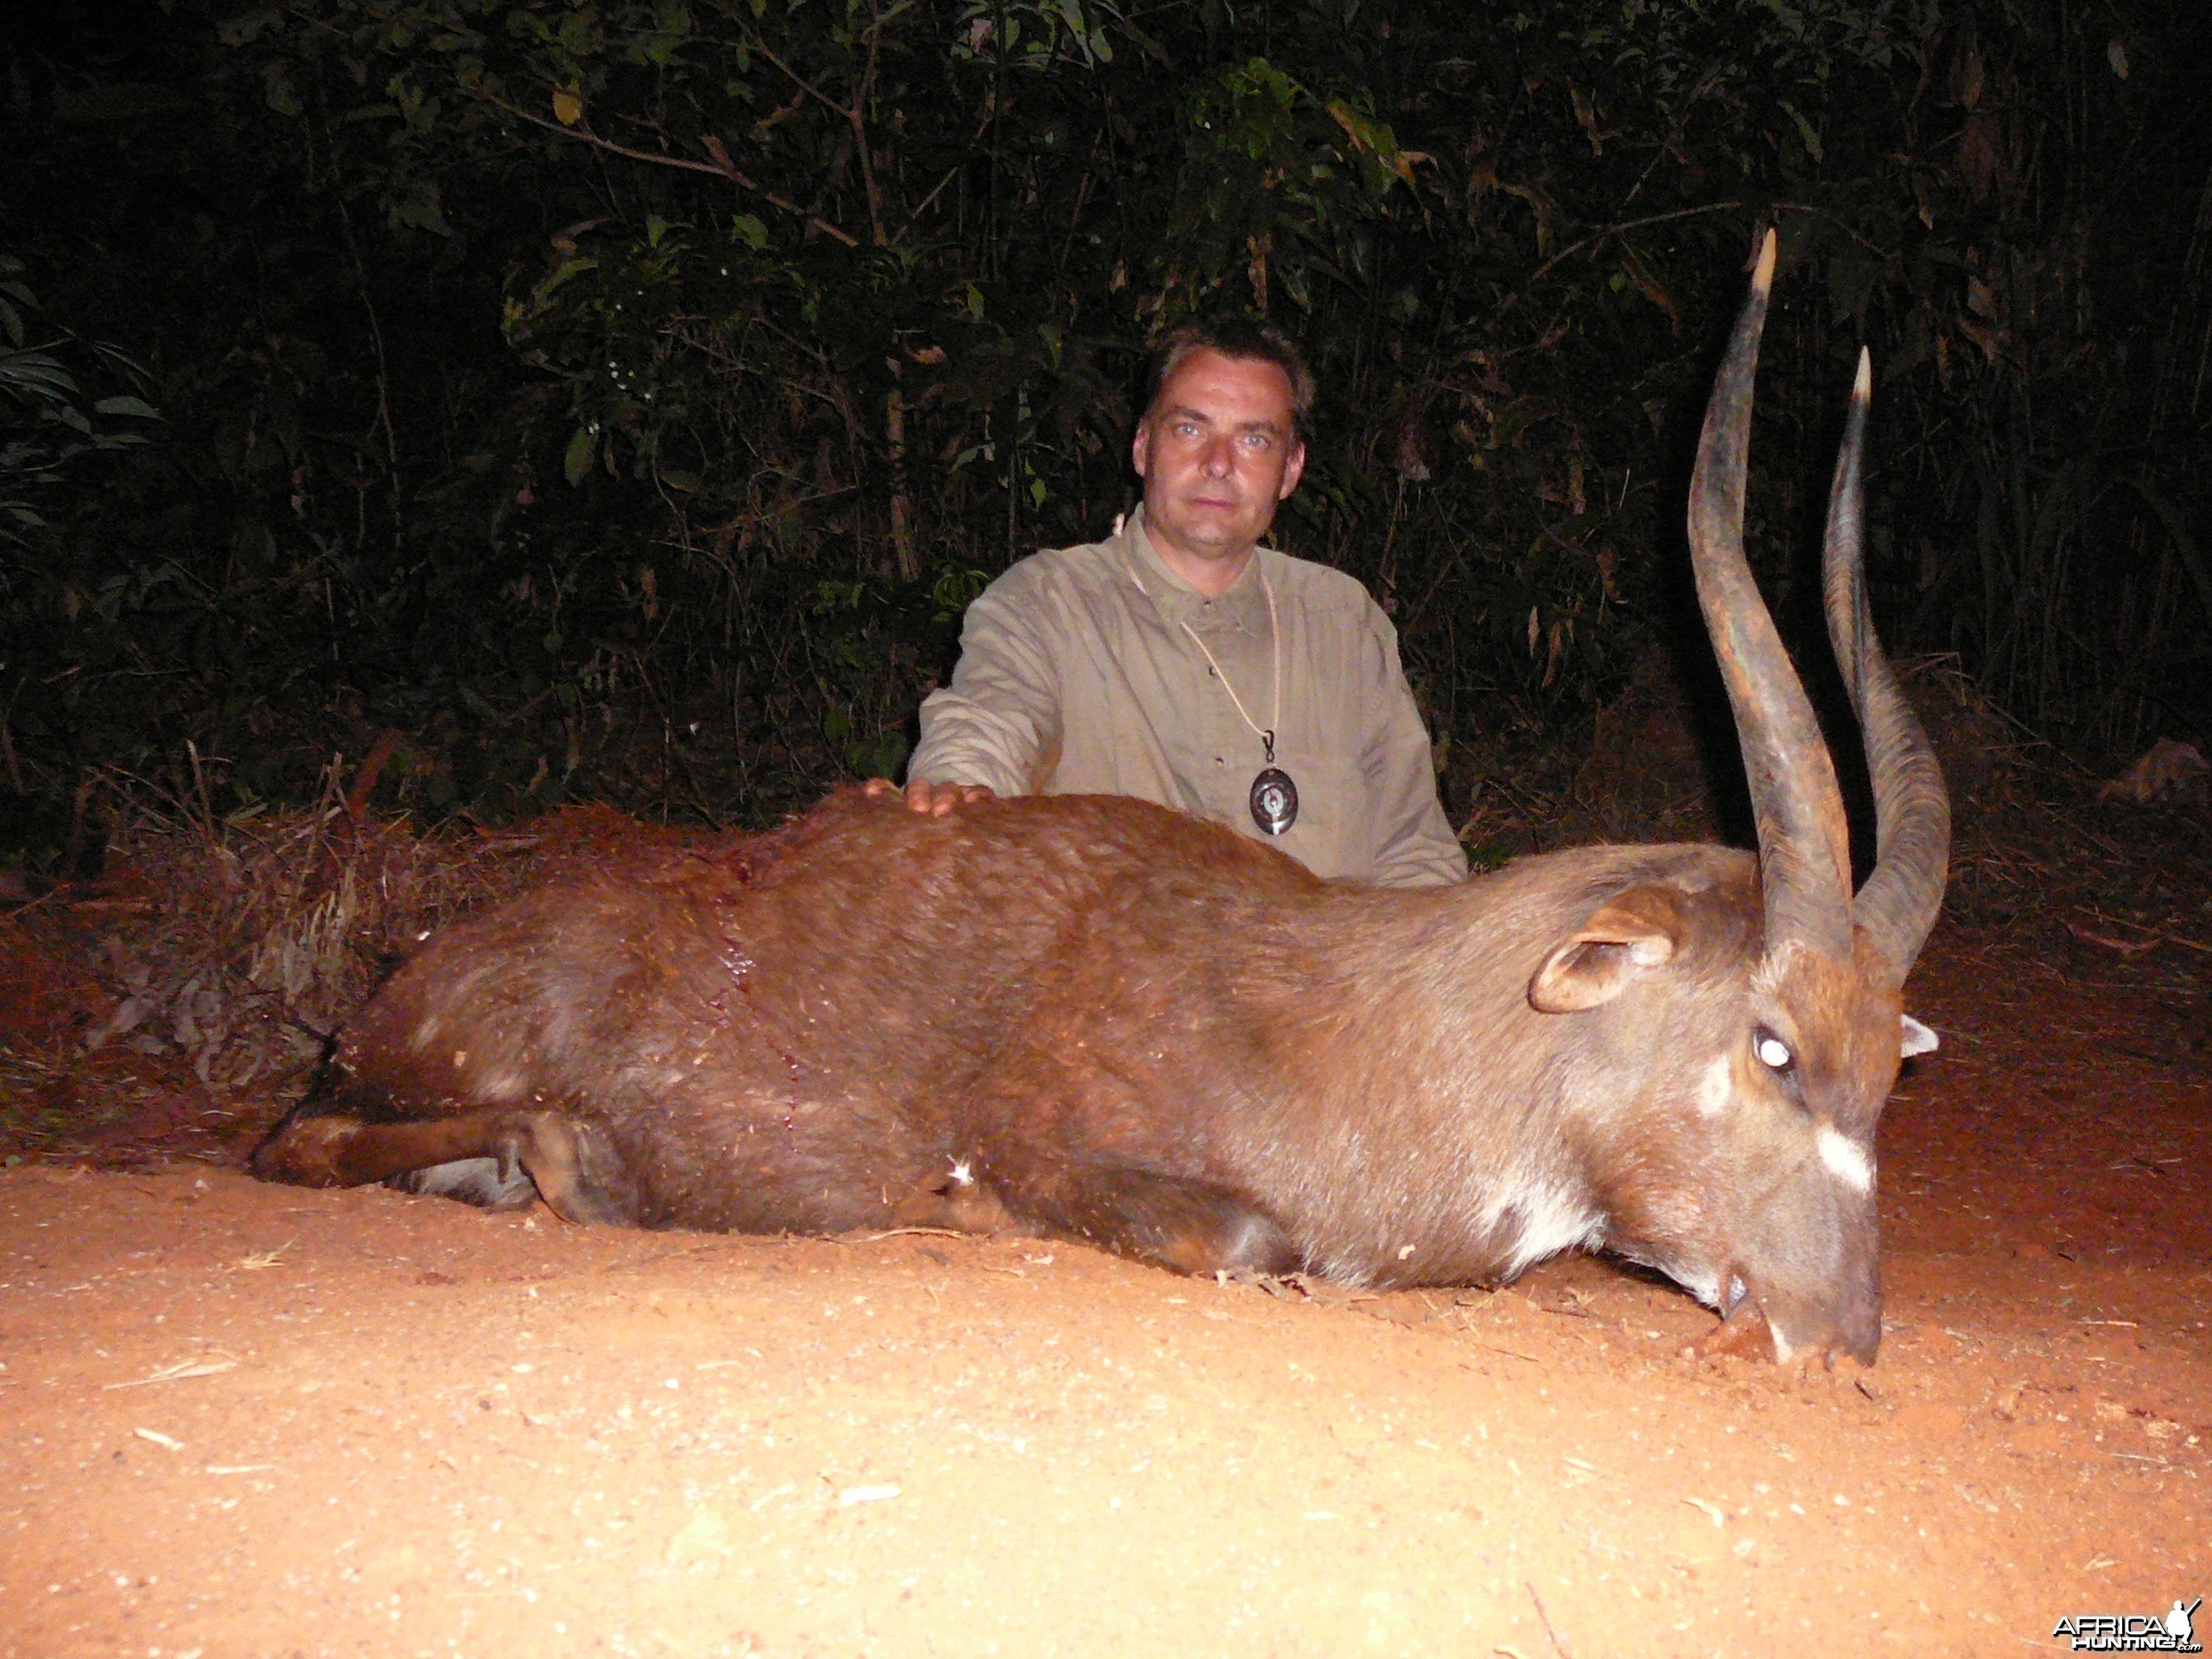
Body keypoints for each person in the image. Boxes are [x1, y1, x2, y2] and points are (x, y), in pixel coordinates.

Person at [884, 317, 1465, 887]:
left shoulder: (1342, 618)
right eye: (1190, 430)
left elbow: (1415, 847)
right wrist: (959, 786)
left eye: (1254, 440)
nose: (1218, 464)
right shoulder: (1049, 601)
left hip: (1331, 971)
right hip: (1117, 971)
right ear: (1142, 448)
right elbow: (991, 716)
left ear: (1290, 471)